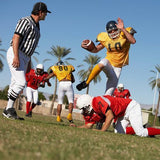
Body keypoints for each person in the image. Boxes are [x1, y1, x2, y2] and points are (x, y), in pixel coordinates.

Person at [2, 2, 51, 120]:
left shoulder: (37, 25)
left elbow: (30, 47)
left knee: (15, 82)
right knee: (20, 83)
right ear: (40, 12)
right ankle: (9, 109)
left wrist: (28, 62)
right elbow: (16, 37)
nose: (46, 15)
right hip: (17, 52)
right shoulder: (26, 21)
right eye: (45, 13)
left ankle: (9, 109)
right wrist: (16, 56)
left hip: (25, 57)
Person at [76, 18, 136, 96]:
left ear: (118, 29)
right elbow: (95, 50)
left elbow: (133, 41)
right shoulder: (105, 37)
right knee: (103, 62)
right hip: (109, 62)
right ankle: (86, 83)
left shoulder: (123, 34)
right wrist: (87, 48)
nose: (113, 32)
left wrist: (123, 29)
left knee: (108, 95)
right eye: (110, 31)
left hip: (117, 68)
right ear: (107, 32)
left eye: (114, 30)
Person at [74, 94, 160, 137]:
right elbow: (89, 125)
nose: (83, 112)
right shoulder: (93, 109)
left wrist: (102, 130)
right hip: (122, 113)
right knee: (118, 132)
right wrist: (76, 128)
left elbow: (110, 116)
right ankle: (146, 129)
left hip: (130, 107)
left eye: (83, 109)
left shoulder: (97, 101)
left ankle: (152, 131)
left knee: (140, 133)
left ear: (88, 105)